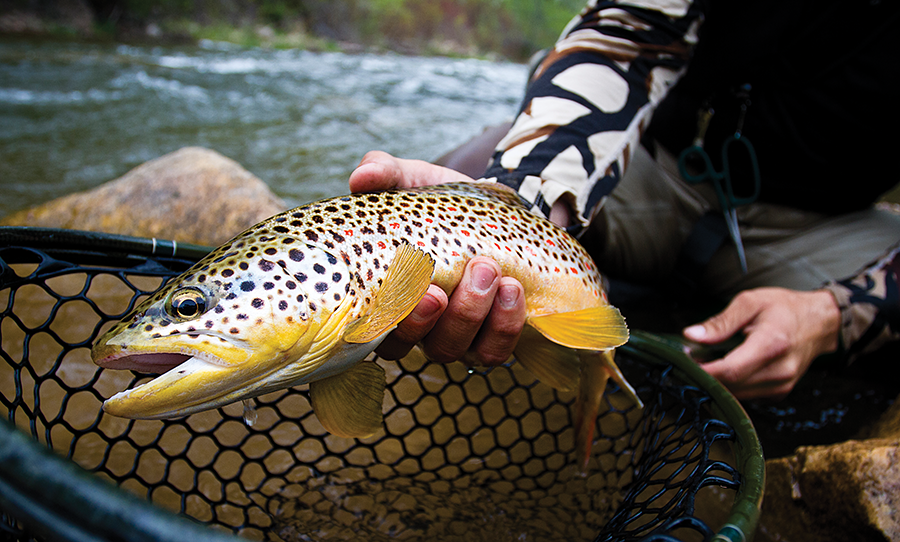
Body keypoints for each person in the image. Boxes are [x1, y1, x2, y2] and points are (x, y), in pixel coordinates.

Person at [348, 0, 900, 402]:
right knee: (463, 181)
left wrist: (832, 316)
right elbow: (623, 35)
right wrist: (520, 200)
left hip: (822, 225)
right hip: (653, 163)